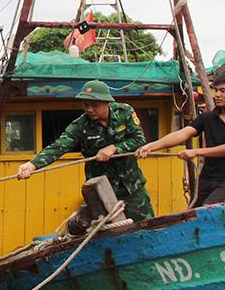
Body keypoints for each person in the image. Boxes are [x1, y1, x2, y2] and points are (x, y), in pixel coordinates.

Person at [17, 80, 154, 222]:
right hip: (101, 190)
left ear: (106, 102)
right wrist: (32, 165)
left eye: (94, 105)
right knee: (104, 232)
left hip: (132, 186)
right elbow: (59, 146)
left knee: (147, 227)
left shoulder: (124, 112)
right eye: (85, 104)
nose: (89, 109)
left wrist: (115, 148)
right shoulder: (80, 126)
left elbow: (139, 140)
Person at [136, 72, 225, 207]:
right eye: (216, 90)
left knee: (209, 208)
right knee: (192, 214)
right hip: (208, 178)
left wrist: (197, 152)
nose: (217, 95)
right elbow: (182, 134)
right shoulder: (207, 118)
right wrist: (151, 146)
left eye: (222, 91)